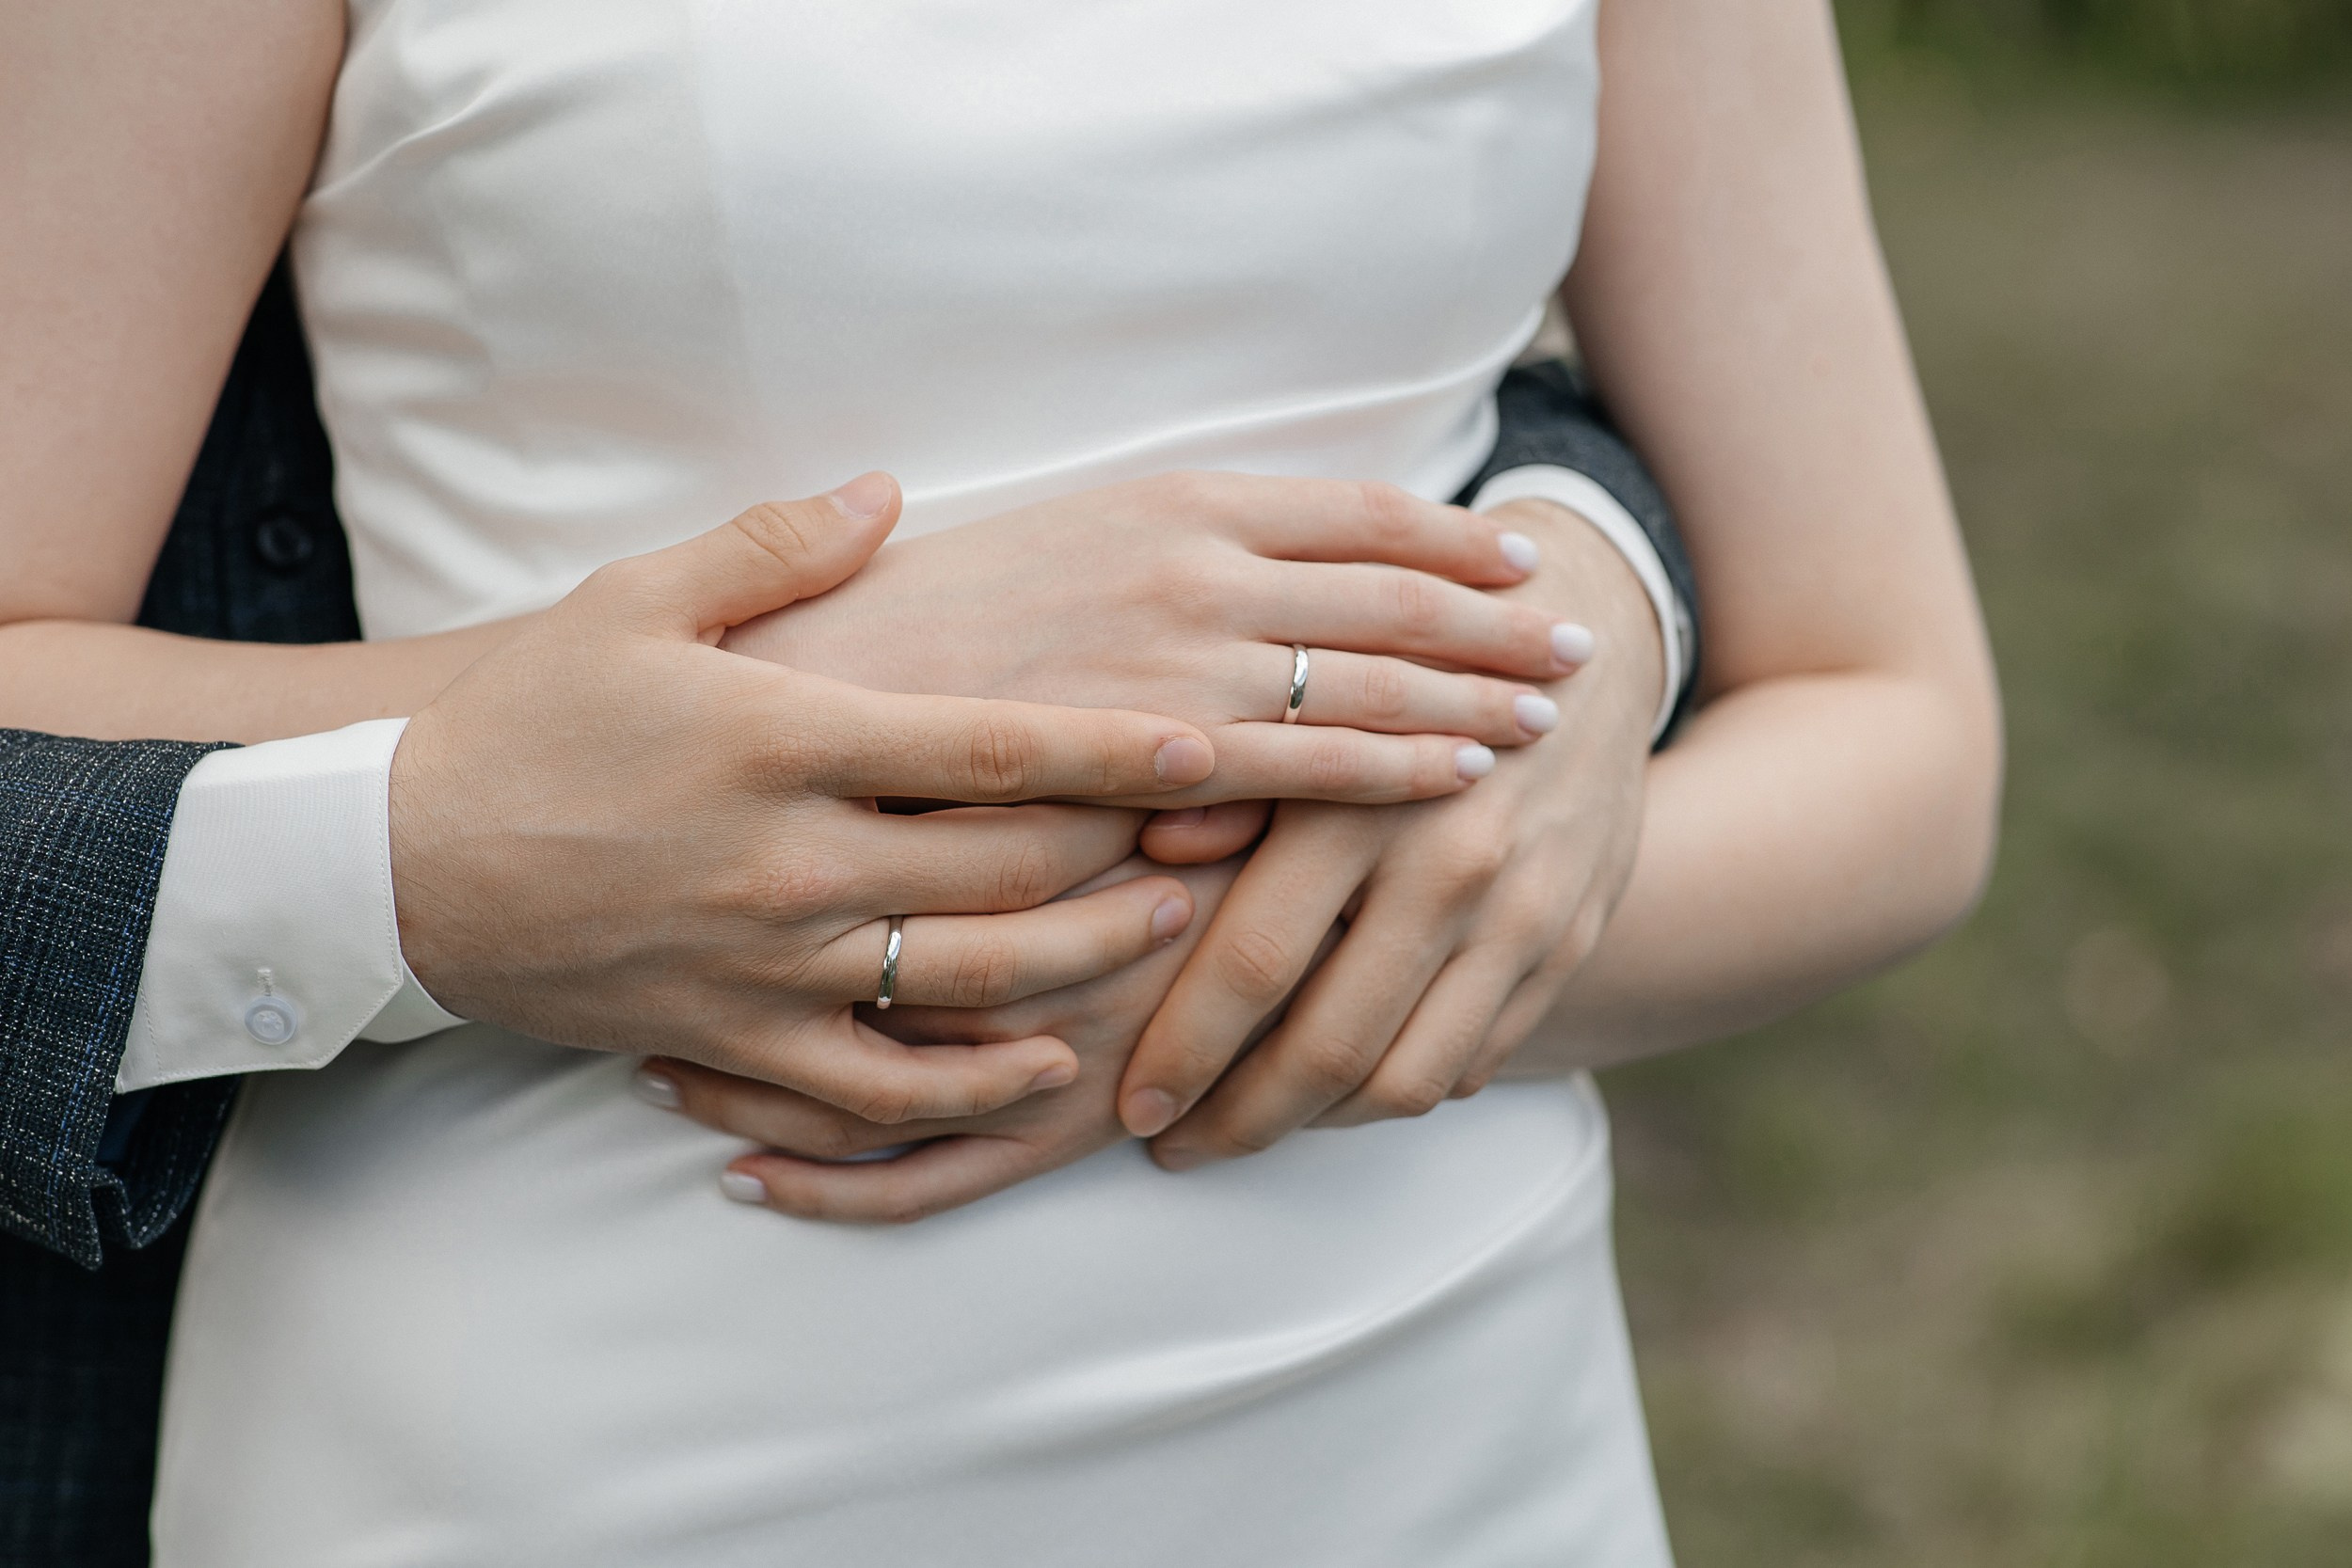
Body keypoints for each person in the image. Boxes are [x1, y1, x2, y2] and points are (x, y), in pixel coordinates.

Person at [2, 0, 2001, 1562]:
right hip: (598, 1413)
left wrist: (1362, 891)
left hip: (1434, 1410)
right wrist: (603, 752)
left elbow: (1891, 727)